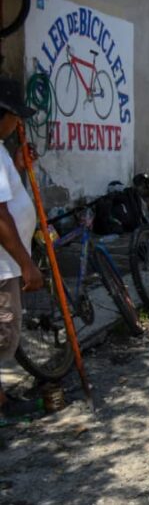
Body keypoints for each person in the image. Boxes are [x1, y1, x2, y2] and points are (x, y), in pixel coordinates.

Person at [0, 76, 45, 420]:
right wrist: (26, 263)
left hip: (8, 263)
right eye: (16, 117)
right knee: (3, 334)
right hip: (3, 265)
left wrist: (16, 166)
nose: (19, 124)